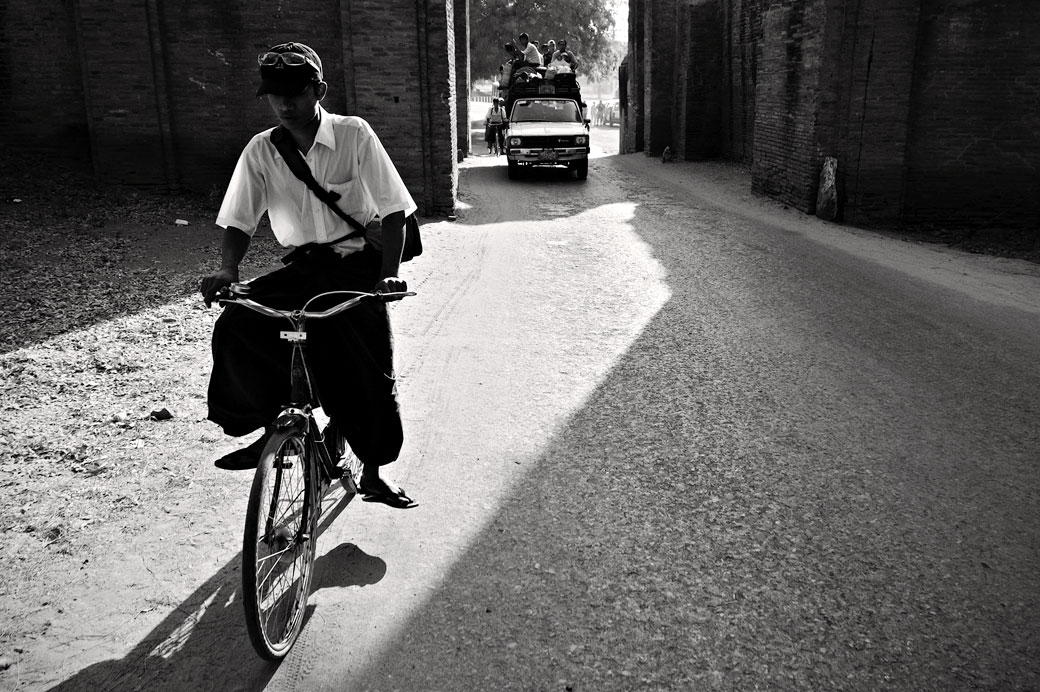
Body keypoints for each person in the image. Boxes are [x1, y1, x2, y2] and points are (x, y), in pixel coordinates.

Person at [199, 41, 417, 509]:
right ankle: (271, 429)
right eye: (274, 94)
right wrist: (227, 269)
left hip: (356, 264)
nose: (284, 103)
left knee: (367, 364)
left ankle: (374, 472)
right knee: (239, 323)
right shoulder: (262, 150)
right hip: (304, 265)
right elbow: (239, 220)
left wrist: (388, 278)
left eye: (295, 92)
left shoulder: (354, 135)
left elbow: (394, 211)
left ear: (318, 89)